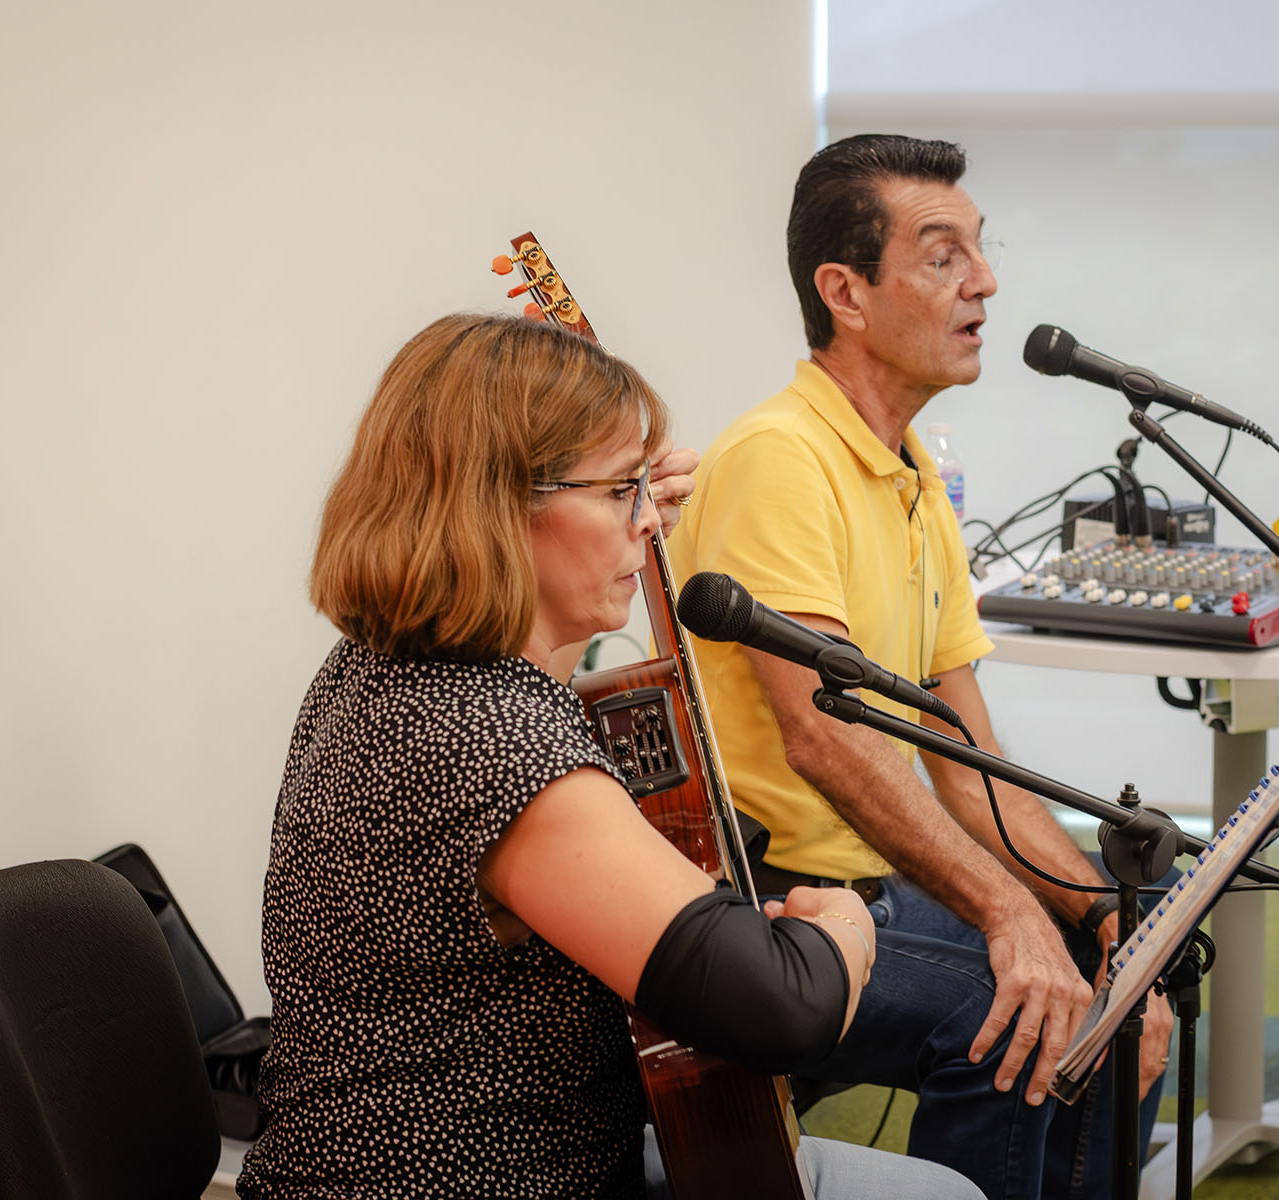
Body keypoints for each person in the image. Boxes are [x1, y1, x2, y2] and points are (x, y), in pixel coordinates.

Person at [235, 312, 980, 1199]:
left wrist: (610, 516)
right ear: (504, 506)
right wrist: (847, 927)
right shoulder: (494, 749)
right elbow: (785, 1008)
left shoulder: (381, 669)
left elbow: (532, 665)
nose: (649, 525)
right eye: (619, 491)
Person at [667, 134, 1175, 1199]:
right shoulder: (778, 459)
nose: (984, 281)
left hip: (890, 885)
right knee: (1010, 1017)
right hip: (790, 906)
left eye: (980, 252)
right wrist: (1009, 915)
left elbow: (969, 762)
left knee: (1137, 966)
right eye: (943, 256)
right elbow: (823, 736)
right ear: (845, 292)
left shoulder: (909, 476)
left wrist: (1102, 916)